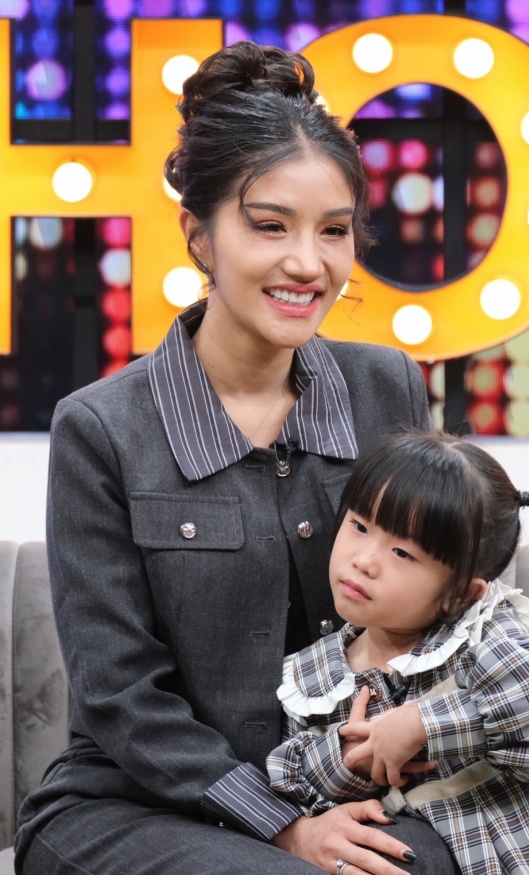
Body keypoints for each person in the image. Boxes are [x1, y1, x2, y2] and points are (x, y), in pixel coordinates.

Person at [14, 43, 460, 875]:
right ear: (199, 236)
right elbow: (120, 696)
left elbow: (446, 616)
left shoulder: (386, 387)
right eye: (269, 225)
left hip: (351, 791)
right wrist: (281, 824)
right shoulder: (101, 428)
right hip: (139, 806)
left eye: (334, 231)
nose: (308, 263)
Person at [266, 431, 529, 875]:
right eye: (360, 526)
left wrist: (420, 724)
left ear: (460, 594)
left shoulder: (480, 630)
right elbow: (293, 781)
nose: (364, 560)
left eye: (402, 552)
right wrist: (349, 760)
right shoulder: (313, 678)